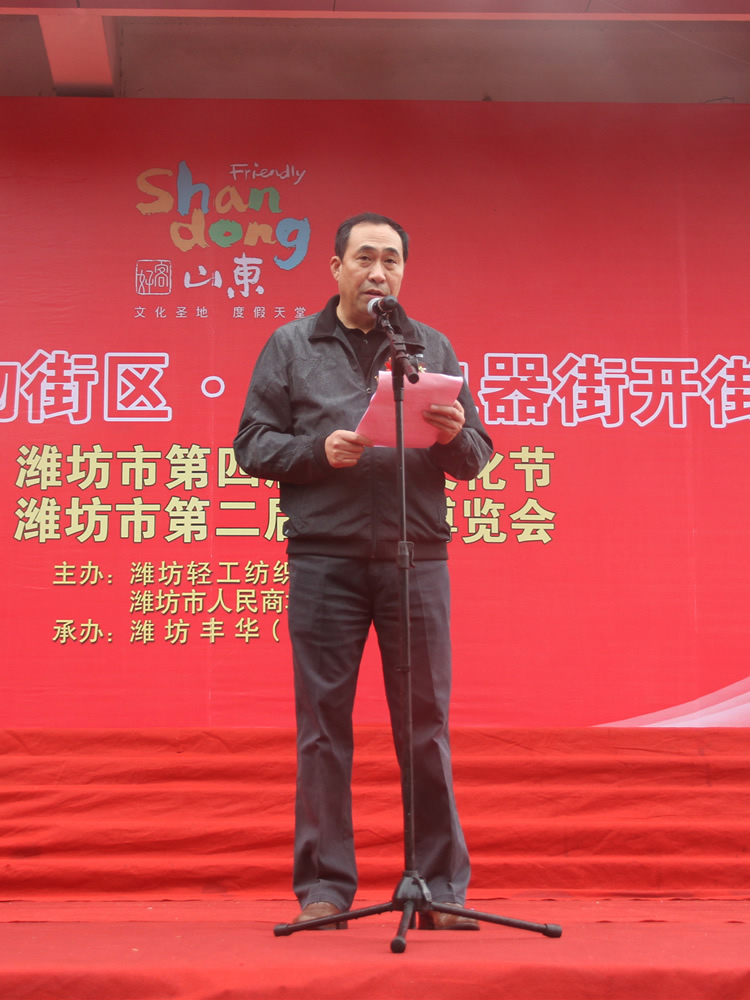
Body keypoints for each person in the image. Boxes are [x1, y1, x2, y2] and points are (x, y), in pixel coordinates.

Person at [233, 212, 493, 929]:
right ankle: (324, 888)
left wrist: (452, 437)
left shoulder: (428, 346)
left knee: (425, 725)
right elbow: (251, 444)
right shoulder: (291, 345)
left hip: (417, 558)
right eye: (365, 258)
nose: (379, 272)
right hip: (326, 559)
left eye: (392, 260)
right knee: (323, 726)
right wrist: (318, 453)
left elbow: (476, 455)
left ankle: (439, 889)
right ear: (336, 268)